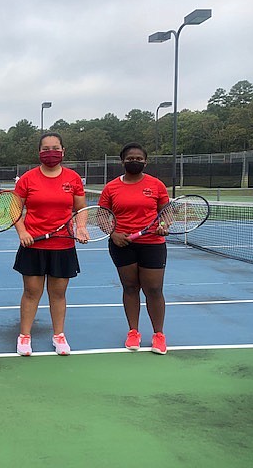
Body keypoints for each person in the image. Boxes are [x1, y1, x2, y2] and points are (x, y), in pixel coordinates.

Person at [13, 132, 86, 357]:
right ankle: (24, 337)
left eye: (55, 148)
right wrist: (23, 231)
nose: (50, 152)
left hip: (63, 245)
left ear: (63, 151)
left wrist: (81, 227)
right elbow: (15, 208)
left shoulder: (72, 178)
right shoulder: (28, 179)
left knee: (58, 294)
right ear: (39, 152)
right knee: (31, 292)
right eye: (46, 149)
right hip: (33, 244)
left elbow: (81, 209)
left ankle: (59, 336)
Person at [98, 142, 170, 354]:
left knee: (154, 289)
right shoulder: (111, 187)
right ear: (122, 161)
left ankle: (159, 335)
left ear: (145, 161)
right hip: (122, 244)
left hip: (152, 244)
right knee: (130, 287)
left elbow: (166, 211)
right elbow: (102, 216)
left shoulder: (156, 185)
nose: (135, 161)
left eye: (139, 158)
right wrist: (113, 234)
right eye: (130, 158)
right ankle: (133, 332)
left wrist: (164, 225)